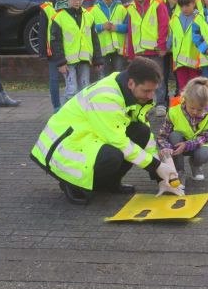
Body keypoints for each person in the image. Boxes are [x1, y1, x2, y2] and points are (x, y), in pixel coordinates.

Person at [30, 56, 183, 205]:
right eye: (146, 91)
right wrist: (157, 166)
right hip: (64, 150)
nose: (150, 96)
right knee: (113, 154)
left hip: (86, 137)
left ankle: (108, 184)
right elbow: (120, 143)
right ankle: (72, 184)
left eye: (153, 91)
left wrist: (160, 177)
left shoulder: (129, 90)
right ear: (131, 83)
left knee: (140, 132)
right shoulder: (106, 97)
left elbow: (146, 137)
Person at [50, 0, 104, 104]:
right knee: (71, 90)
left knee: (85, 89)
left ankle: (82, 113)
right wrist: (60, 62)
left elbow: (94, 39)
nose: (77, 2)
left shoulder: (88, 16)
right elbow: (55, 42)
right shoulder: (59, 17)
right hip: (68, 62)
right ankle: (65, 114)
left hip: (84, 60)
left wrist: (97, 59)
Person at [157, 77, 208, 188]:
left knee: (204, 154)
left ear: (206, 103)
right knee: (174, 135)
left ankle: (195, 164)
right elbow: (162, 135)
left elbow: (207, 136)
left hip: (198, 145)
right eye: (192, 108)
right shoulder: (174, 111)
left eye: (199, 109)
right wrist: (166, 148)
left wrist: (187, 145)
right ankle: (179, 171)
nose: (195, 112)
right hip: (177, 144)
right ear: (185, 99)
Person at [124, 0, 170, 116]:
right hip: (140, 52)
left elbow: (164, 25)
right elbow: (131, 31)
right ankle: (145, 104)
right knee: (142, 80)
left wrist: (162, 45)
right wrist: (131, 53)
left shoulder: (157, 3)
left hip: (155, 50)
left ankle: (161, 104)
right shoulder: (131, 8)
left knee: (158, 77)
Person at [38, 0, 71, 112]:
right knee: (54, 79)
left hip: (70, 47)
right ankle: (56, 106)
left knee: (71, 78)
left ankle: (70, 106)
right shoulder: (47, 7)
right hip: (53, 48)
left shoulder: (73, 4)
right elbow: (42, 30)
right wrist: (43, 52)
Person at [89, 0, 128, 79]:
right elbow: (90, 29)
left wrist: (116, 28)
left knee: (118, 75)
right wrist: (102, 26)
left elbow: (128, 27)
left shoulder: (121, 9)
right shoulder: (93, 10)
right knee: (103, 77)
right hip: (102, 50)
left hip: (118, 49)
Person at [168, 0, 206, 91]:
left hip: (195, 61)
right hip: (180, 61)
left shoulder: (199, 18)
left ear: (193, 3)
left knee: (195, 86)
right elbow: (172, 34)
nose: (184, 9)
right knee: (182, 87)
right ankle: (183, 101)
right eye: (181, 6)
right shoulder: (175, 18)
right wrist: (167, 46)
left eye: (187, 5)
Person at [162, 0, 184, 97]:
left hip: (177, 45)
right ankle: (164, 96)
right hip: (164, 44)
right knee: (163, 72)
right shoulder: (160, 5)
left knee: (177, 71)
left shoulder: (183, 5)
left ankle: (178, 94)